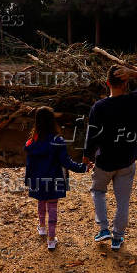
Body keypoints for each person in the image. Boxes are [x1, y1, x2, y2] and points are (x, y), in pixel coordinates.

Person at [83, 65, 137, 250]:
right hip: (127, 160)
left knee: (98, 191)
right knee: (123, 201)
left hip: (105, 160)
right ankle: (118, 237)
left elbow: (92, 135)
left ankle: (104, 229)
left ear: (107, 83)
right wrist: (135, 73)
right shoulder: (134, 101)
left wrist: (87, 155)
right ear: (126, 83)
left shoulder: (98, 107)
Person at [25, 106, 92, 250]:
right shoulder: (58, 140)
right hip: (54, 180)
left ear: (37, 122)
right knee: (52, 206)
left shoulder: (31, 142)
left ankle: (42, 227)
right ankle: (51, 239)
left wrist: (28, 181)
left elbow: (29, 164)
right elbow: (66, 162)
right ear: (52, 121)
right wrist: (83, 167)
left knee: (41, 202)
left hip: (37, 180)